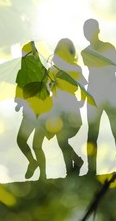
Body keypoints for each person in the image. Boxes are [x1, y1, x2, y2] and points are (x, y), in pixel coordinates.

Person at [81, 18, 116, 175]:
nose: (88, 33)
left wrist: (102, 64)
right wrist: (104, 63)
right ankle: (91, 169)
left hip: (111, 93)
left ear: (98, 30)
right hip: (94, 94)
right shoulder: (85, 52)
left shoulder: (108, 47)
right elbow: (102, 67)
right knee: (92, 132)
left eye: (90, 29)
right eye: (85, 30)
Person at [46, 38, 86, 176]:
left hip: (70, 106)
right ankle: (72, 166)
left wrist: (82, 100)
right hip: (57, 108)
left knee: (63, 139)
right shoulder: (53, 69)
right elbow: (47, 88)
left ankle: (75, 163)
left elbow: (82, 86)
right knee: (61, 140)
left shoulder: (75, 68)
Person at [15, 41, 51, 180]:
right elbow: (19, 88)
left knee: (27, 142)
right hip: (38, 112)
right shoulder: (43, 69)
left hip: (36, 112)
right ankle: (38, 168)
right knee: (31, 143)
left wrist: (18, 102)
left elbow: (20, 87)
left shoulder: (29, 69)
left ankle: (38, 169)